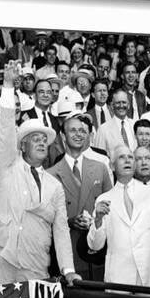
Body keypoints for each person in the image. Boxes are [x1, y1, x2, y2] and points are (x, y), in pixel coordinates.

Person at [0, 61, 82, 286]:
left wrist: (68, 270)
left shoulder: (54, 185)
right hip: (3, 258)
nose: (41, 143)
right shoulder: (9, 165)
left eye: (44, 140)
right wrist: (8, 85)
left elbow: (61, 229)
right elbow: (7, 128)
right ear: (22, 146)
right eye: (34, 139)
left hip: (36, 263)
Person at [87, 145, 150, 287]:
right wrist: (98, 220)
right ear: (112, 166)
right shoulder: (104, 199)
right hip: (118, 276)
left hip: (149, 271)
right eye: (122, 157)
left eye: (130, 157)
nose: (127, 161)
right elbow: (96, 245)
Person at [48, 112, 113, 280]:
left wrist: (96, 219)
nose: (78, 134)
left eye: (82, 131)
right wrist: (70, 221)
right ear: (62, 135)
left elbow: (112, 208)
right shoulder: (50, 175)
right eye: (72, 130)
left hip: (98, 251)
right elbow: (48, 219)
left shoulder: (100, 168)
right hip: (69, 253)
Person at [94, 88, 137, 157]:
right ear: (112, 106)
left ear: (128, 105)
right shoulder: (103, 129)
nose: (121, 106)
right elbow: (98, 157)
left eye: (124, 102)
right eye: (118, 103)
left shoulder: (135, 125)